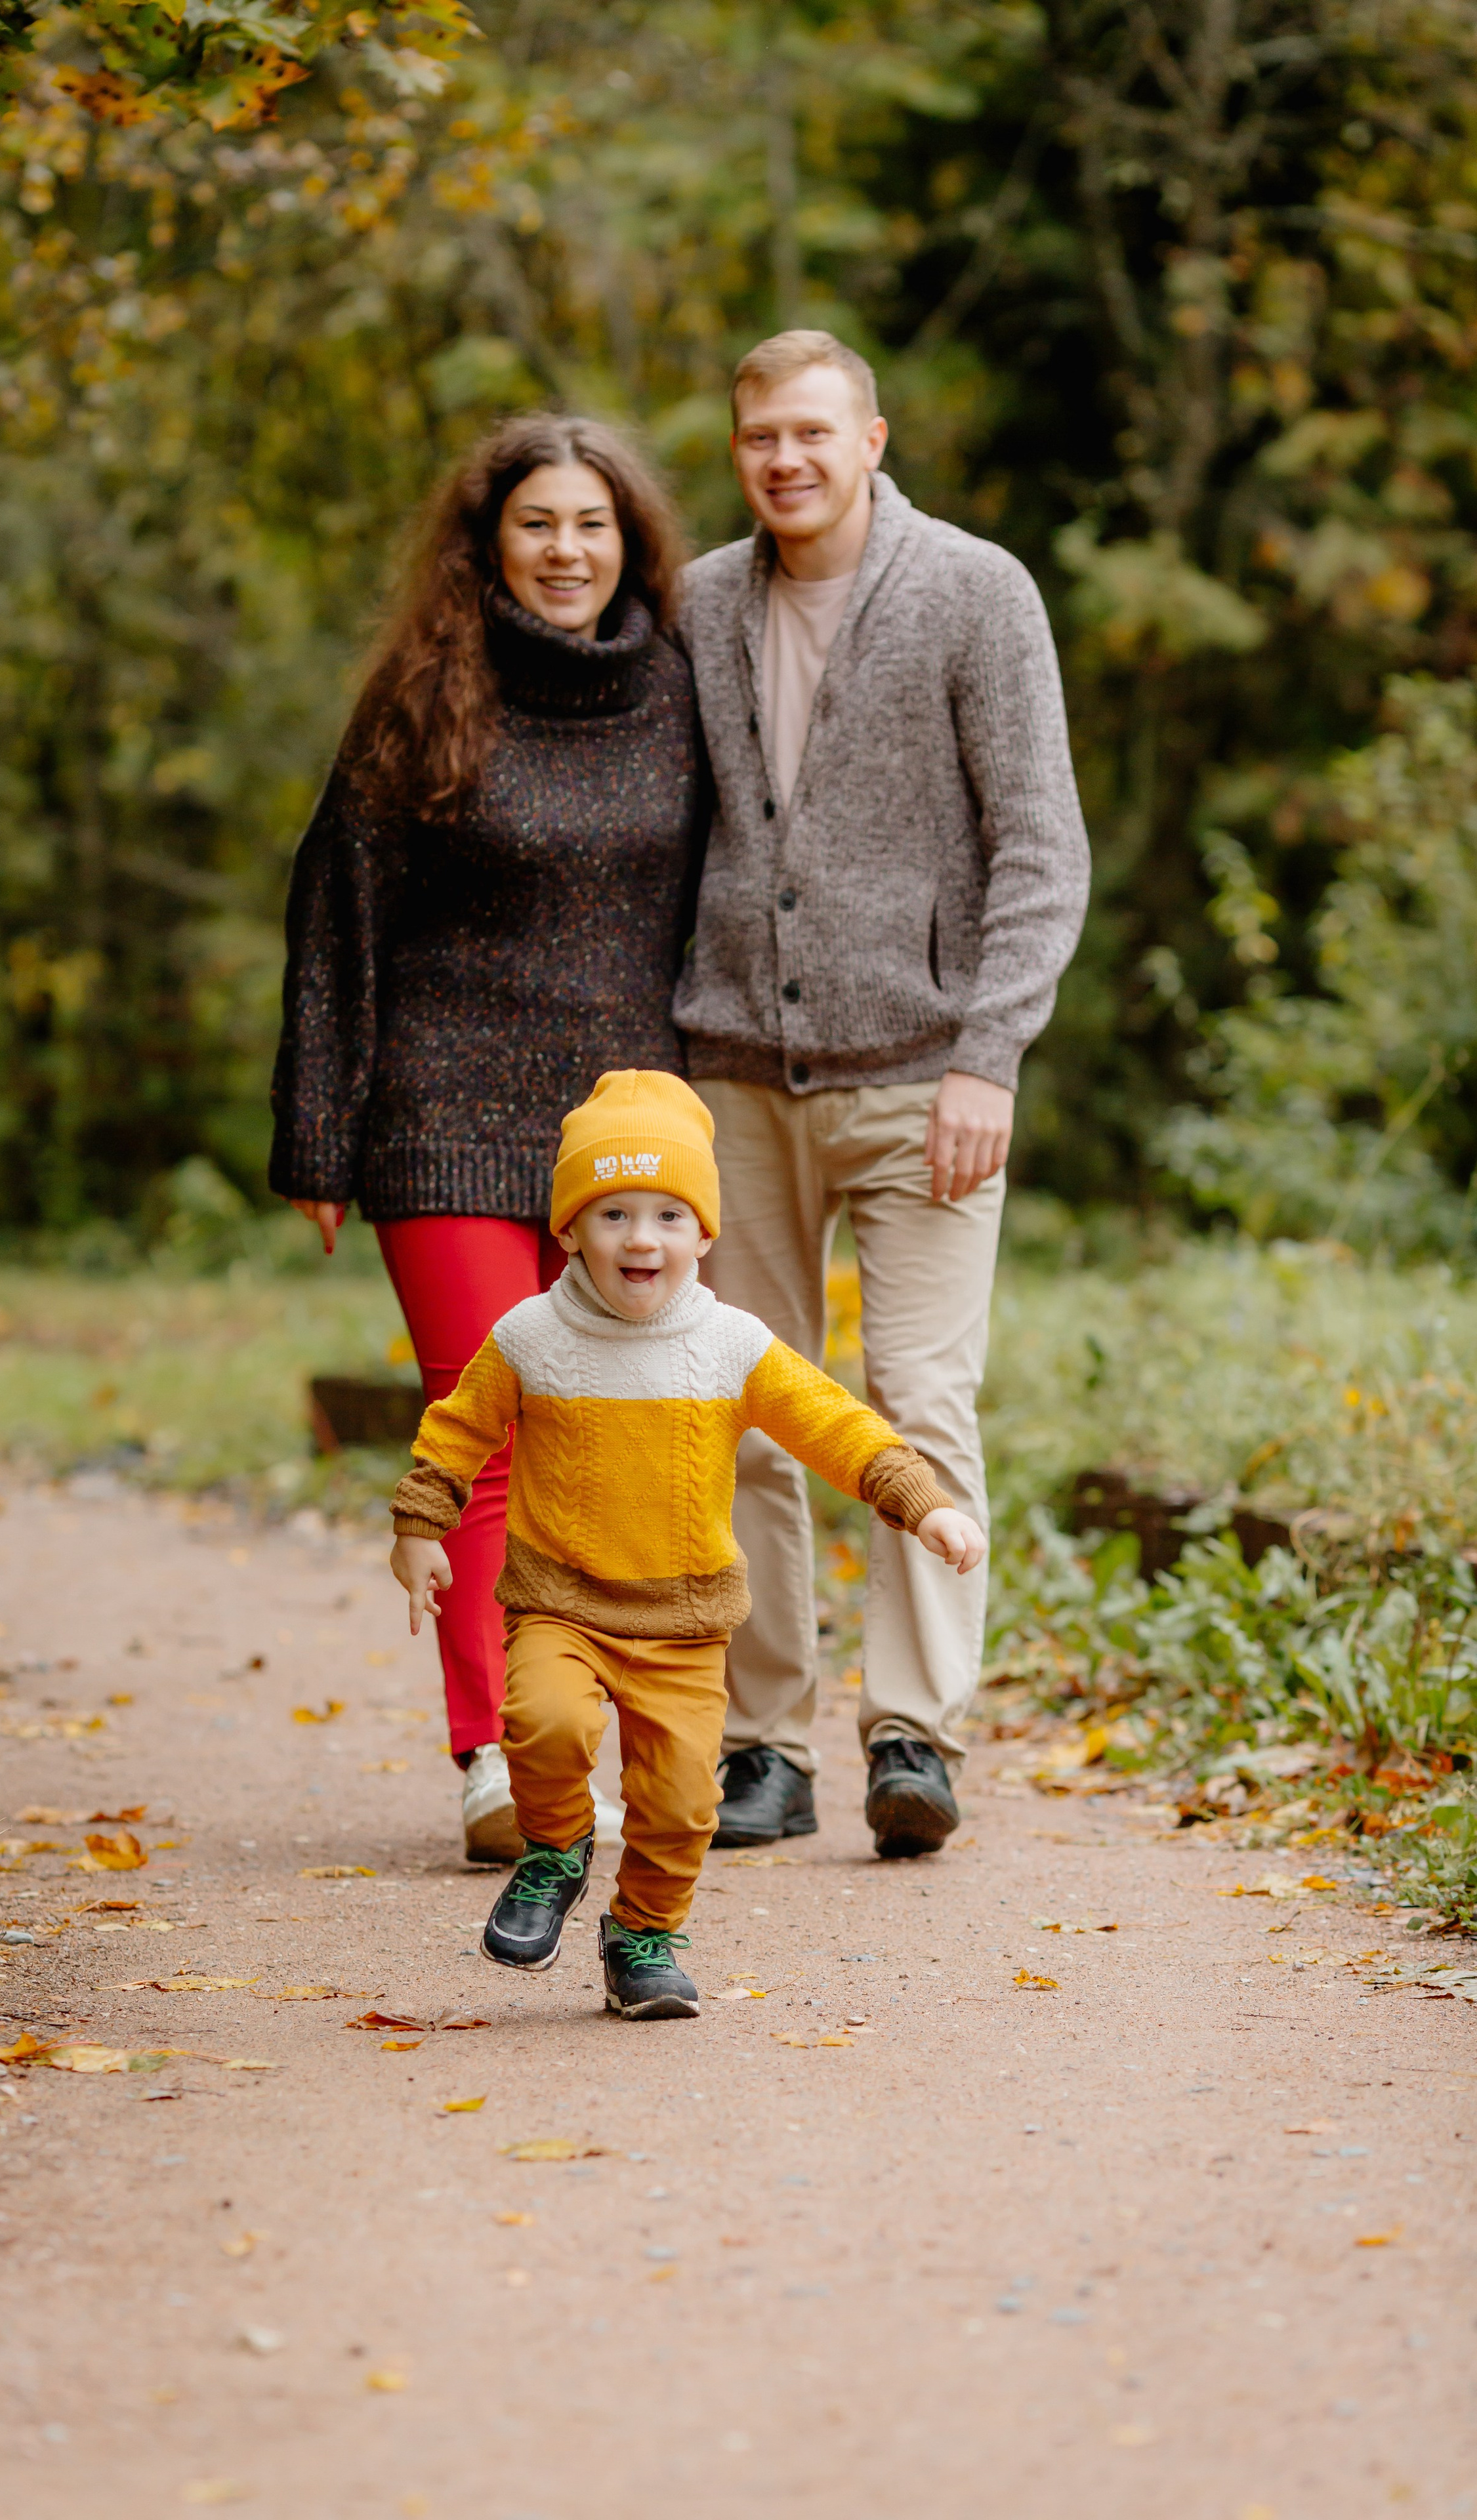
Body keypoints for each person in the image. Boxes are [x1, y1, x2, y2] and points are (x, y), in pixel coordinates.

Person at [673, 329, 1090, 1859]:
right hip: (730, 1073)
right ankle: (761, 1745)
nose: (781, 460)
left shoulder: (976, 591)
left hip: (925, 1076)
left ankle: (914, 1731)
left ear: (869, 439)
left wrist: (990, 1052)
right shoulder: (705, 601)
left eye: (807, 433)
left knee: (916, 1399)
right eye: (754, 439)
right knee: (749, 1415)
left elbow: (1041, 844)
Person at [269, 418, 705, 1865]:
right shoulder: (421, 697)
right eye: (536, 525)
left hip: (621, 1135)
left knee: (605, 1433)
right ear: (490, 542)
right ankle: (494, 1758)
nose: (564, 551)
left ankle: (594, 1722)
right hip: (440, 1109)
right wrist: (319, 1138)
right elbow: (336, 910)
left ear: (629, 539)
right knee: (485, 1430)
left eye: (589, 524)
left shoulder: (687, 690)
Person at [385, 1071, 985, 2020]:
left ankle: (642, 1935)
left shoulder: (731, 1344)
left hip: (684, 1620)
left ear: (704, 1234)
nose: (641, 1238)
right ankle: (555, 1849)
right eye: (613, 1212)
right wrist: (421, 1525)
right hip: (561, 1602)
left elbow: (833, 1424)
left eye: (669, 1215)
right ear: (570, 1228)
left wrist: (921, 1501)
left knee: (680, 1806)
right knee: (543, 1723)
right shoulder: (531, 1337)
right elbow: (457, 1431)